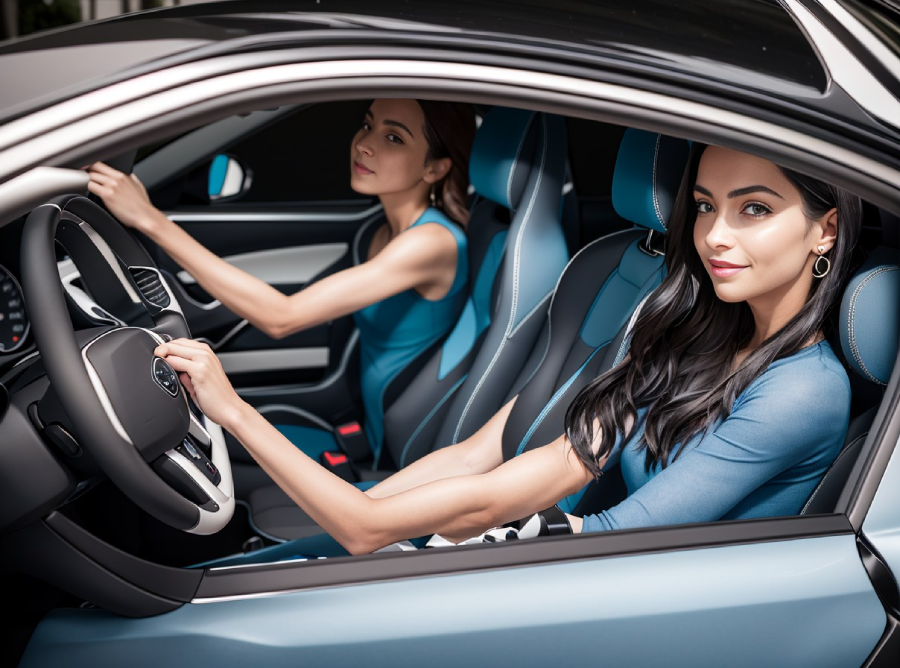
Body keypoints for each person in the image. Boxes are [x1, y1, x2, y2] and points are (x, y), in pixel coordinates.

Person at [153, 143, 862, 554]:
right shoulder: (690, 335)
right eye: (705, 205)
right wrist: (355, 524)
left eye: (754, 209)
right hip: (594, 561)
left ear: (825, 229)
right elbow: (549, 463)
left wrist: (236, 414)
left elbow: (614, 537)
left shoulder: (804, 389)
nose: (714, 236)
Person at [87, 99, 476, 460]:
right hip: (376, 421)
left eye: (393, 138)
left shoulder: (432, 243)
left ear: (435, 168)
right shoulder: (383, 228)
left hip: (406, 447)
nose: (363, 144)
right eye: (367, 125)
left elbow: (282, 317)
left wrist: (150, 219)